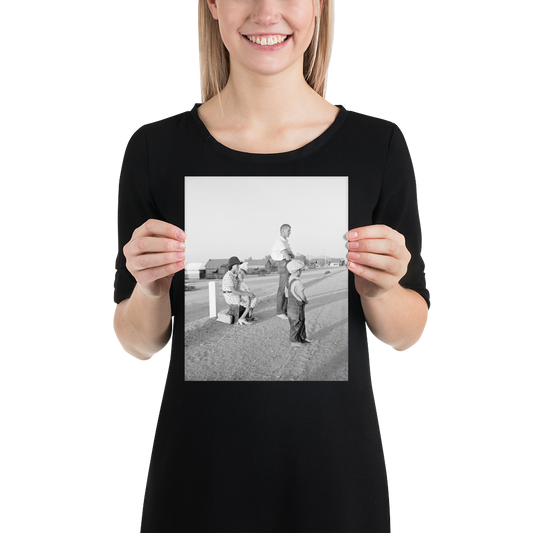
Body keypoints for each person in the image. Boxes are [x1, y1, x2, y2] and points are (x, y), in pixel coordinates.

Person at [111, 1, 432, 530]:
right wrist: (149, 291)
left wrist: (379, 291)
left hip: (337, 484)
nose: (266, 11)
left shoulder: (379, 144)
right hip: (197, 484)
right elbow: (137, 344)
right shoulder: (152, 147)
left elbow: (408, 333)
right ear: (213, 5)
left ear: (320, 7)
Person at [285, 260, 313, 347]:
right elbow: (302, 295)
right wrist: (305, 300)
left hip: (290, 306)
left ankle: (302, 337)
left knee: (296, 322)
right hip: (297, 307)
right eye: (300, 270)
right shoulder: (298, 282)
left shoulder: (289, 280)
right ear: (295, 271)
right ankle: (294, 341)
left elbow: (286, 293)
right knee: (298, 323)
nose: (301, 272)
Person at [221, 256, 255, 325]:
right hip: (230, 295)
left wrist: (247, 293)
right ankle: (242, 318)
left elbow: (238, 286)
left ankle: (246, 316)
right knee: (248, 298)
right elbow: (233, 291)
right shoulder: (228, 276)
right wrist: (246, 294)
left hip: (235, 294)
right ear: (232, 265)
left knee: (253, 298)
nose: (238, 266)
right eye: (237, 265)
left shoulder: (233, 274)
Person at [270, 223, 295, 319]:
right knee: (282, 289)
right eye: (288, 230)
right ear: (283, 230)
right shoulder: (280, 242)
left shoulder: (285, 242)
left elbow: (292, 255)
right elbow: (288, 256)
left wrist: (289, 255)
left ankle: (285, 310)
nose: (290, 232)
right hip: (283, 264)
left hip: (286, 264)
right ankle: (280, 312)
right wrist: (288, 255)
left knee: (287, 289)